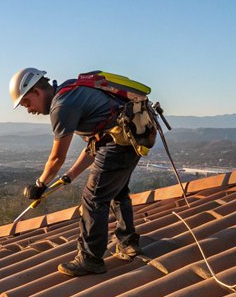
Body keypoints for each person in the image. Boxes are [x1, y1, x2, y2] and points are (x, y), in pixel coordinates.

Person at [10, 67, 142, 277]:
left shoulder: (61, 106)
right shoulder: (70, 91)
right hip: (131, 139)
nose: (29, 110)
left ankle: (90, 259)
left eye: (27, 103)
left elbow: (56, 158)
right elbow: (96, 144)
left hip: (119, 143)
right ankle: (128, 242)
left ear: (36, 91)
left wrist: (39, 184)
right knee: (116, 191)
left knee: (93, 197)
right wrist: (70, 175)